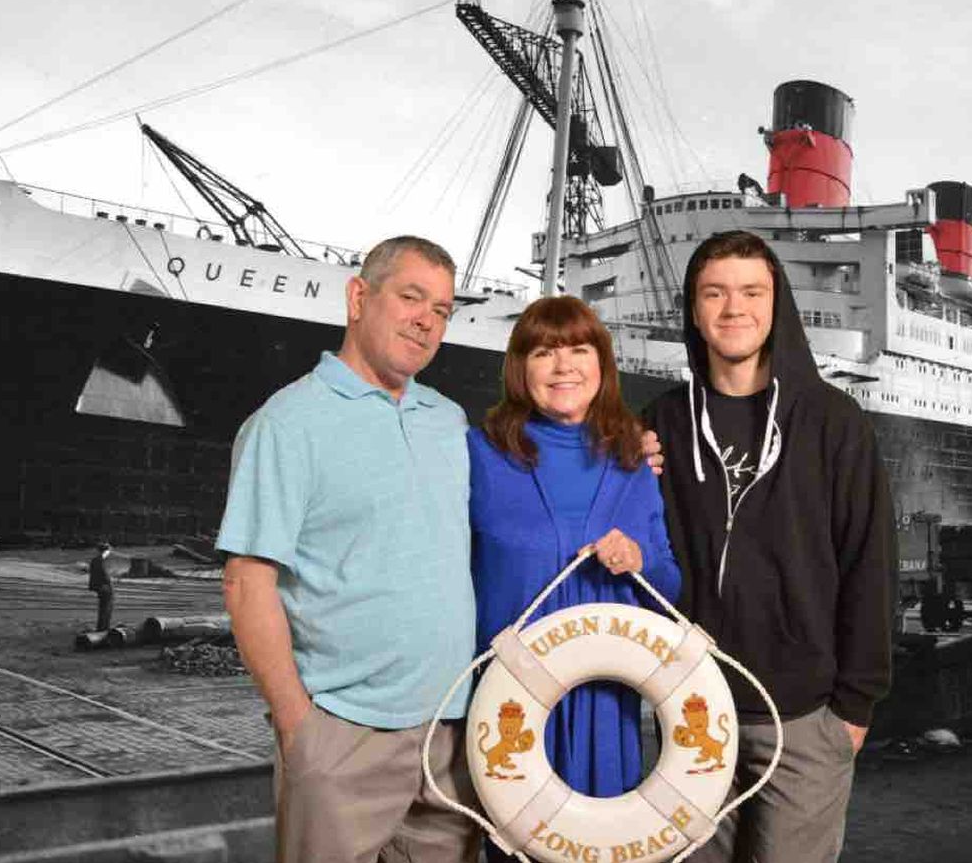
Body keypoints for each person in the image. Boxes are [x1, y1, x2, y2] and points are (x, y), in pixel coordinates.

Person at [216, 236, 480, 863]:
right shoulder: (287, 423)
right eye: (411, 297)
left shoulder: (449, 420)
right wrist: (300, 730)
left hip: (450, 735)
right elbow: (247, 583)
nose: (426, 321)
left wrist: (632, 449)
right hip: (343, 732)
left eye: (442, 310)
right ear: (359, 298)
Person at [644, 230, 895, 863]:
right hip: (691, 711)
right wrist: (620, 469)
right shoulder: (661, 422)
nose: (734, 308)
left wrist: (854, 707)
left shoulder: (834, 421)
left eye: (752, 292)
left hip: (804, 718)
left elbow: (871, 564)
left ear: (776, 303)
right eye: (715, 293)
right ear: (693, 307)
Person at [469, 296, 680, 851]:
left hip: (605, 705)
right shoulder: (479, 454)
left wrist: (638, 560)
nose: (563, 366)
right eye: (544, 352)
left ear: (602, 364)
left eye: (579, 350)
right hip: (509, 701)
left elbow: (670, 587)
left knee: (602, 849)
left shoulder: (634, 461)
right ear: (521, 368)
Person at [87, 542, 114, 631]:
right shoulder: (100, 560)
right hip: (103, 586)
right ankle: (103, 627)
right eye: (109, 551)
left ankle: (103, 626)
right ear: (105, 551)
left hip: (100, 586)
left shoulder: (96, 560)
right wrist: (109, 581)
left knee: (104, 607)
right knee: (106, 607)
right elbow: (103, 574)